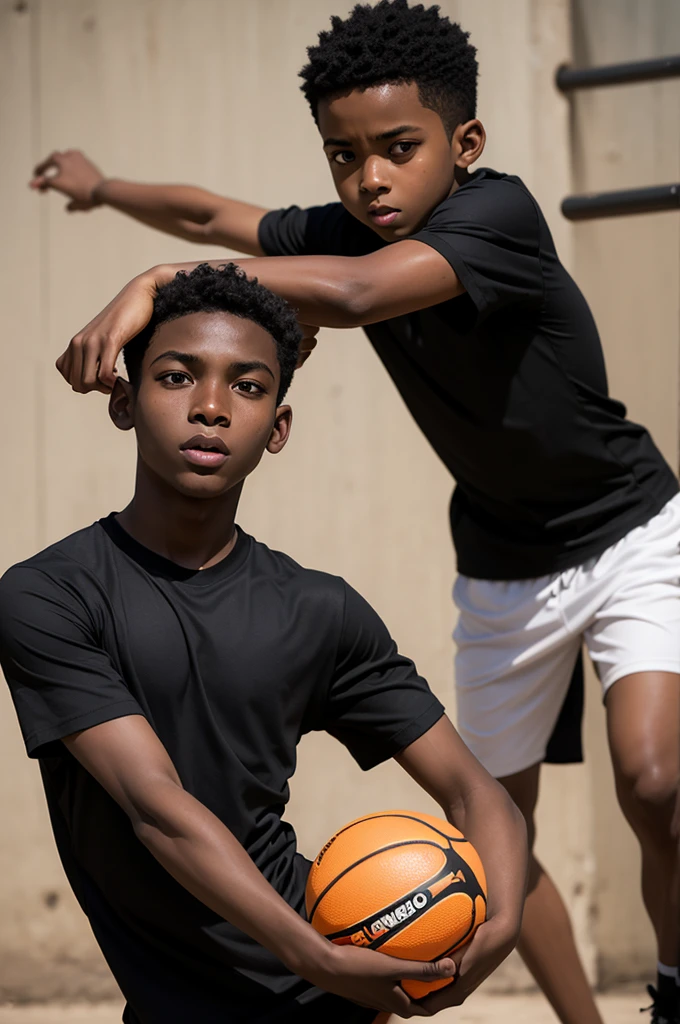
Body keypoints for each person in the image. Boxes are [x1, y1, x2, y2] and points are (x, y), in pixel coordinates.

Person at [30, 2, 680, 1021]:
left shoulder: (492, 218)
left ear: (461, 146)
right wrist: (100, 186)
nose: (368, 177)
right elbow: (213, 218)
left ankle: (675, 986)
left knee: (649, 777)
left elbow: (360, 291)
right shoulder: (344, 229)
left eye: (395, 149)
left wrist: (163, 283)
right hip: (501, 559)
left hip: (625, 526)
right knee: (495, 828)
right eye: (342, 156)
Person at [0, 264, 527, 1024]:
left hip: (336, 994)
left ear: (277, 429)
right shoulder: (48, 595)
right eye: (177, 376)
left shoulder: (320, 609)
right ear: (124, 401)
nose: (210, 408)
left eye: (247, 387)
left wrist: (500, 923)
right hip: (234, 984)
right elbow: (157, 807)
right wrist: (308, 953)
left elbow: (478, 794)